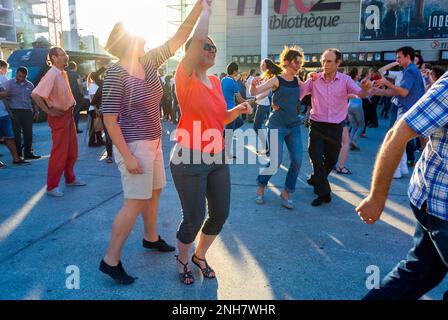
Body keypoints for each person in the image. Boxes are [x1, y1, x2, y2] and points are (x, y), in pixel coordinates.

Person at [100, 1, 203, 285]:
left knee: (155, 191)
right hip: (134, 145)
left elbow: (179, 38)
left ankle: (150, 237)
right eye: (138, 35)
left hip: (154, 140)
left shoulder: (147, 62)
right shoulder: (115, 73)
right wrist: (128, 157)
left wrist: (198, 6)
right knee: (134, 201)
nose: (144, 37)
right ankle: (110, 260)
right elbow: (109, 119)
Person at [170, 0, 252, 285]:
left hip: (217, 157)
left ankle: (199, 255)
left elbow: (220, 118)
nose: (212, 49)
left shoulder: (216, 82)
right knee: (193, 218)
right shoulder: (186, 76)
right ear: (192, 52)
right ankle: (182, 259)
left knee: (220, 214)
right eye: (206, 45)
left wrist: (237, 111)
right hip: (189, 158)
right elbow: (196, 42)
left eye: (214, 47)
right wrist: (204, 12)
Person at [357, 72, 448, 300]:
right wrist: (376, 199)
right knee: (419, 271)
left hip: (433, 196)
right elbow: (397, 133)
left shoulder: (412, 74)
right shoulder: (418, 77)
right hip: (440, 205)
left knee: (421, 271)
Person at [300, 48, 372, 206]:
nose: (325, 64)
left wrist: (366, 89)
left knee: (331, 160)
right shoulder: (314, 79)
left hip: (335, 127)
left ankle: (316, 179)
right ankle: (323, 193)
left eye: (329, 61)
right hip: (317, 125)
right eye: (323, 61)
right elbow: (299, 94)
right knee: (316, 158)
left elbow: (361, 94)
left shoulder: (345, 80)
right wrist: (306, 79)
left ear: (338, 63)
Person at [250, 46, 306, 210]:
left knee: (297, 161)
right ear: (287, 62)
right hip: (277, 126)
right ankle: (261, 186)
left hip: (294, 126)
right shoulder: (276, 80)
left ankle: (287, 193)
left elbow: (307, 91)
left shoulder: (298, 80)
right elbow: (256, 91)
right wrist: (253, 85)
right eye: (296, 62)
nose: (299, 65)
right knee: (275, 161)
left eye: (300, 62)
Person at [31, 48, 86, 197]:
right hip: (59, 117)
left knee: (72, 150)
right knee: (59, 153)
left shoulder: (62, 73)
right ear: (54, 58)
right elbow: (35, 94)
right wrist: (49, 111)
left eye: (66, 55)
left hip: (68, 115)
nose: (66, 57)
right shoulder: (52, 74)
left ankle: (70, 178)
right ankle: (51, 186)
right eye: (62, 55)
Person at [371, 46, 426, 179]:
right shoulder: (410, 70)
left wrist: (386, 83)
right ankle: (402, 169)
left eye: (399, 57)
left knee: (394, 141)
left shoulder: (410, 71)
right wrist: (379, 91)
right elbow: (398, 92)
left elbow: (403, 92)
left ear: (408, 57)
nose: (397, 60)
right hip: (407, 110)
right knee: (399, 141)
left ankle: (396, 171)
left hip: (407, 111)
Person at [0, 67, 41, 160]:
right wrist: (8, 110)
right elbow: (4, 97)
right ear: (16, 74)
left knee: (28, 133)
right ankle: (18, 155)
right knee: (16, 134)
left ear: (26, 75)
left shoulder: (30, 85)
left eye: (23, 76)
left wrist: (36, 111)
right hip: (15, 111)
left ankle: (28, 153)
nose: (21, 78)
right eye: (19, 76)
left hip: (27, 111)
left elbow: (34, 98)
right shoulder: (9, 83)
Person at [0, 60, 30, 168]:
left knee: (10, 137)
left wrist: (8, 110)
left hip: (4, 113)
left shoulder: (2, 78)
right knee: (9, 137)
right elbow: (5, 93)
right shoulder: (5, 79)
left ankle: (16, 159)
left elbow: (6, 95)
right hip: (6, 112)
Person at [221, 62, 248, 158]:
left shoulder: (223, 79)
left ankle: (223, 135)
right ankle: (227, 153)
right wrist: (248, 101)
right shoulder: (233, 83)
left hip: (223, 108)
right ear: (235, 71)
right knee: (229, 133)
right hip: (231, 110)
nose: (238, 72)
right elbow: (240, 99)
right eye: (237, 71)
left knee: (240, 123)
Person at [253, 59, 279, 154]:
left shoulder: (268, 77)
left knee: (256, 126)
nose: (261, 66)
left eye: (263, 64)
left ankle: (267, 148)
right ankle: (267, 147)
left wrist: (255, 99)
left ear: (267, 66)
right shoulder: (263, 76)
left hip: (263, 104)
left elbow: (266, 92)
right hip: (261, 104)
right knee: (257, 126)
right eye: (261, 64)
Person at [347, 68, 364, 152]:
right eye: (359, 73)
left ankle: (351, 142)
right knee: (361, 125)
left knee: (354, 126)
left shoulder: (349, 83)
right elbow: (364, 93)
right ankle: (353, 141)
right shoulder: (358, 84)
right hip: (357, 106)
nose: (360, 75)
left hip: (349, 106)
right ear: (356, 75)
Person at [67, 61, 85, 134]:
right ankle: (75, 128)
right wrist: (82, 93)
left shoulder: (66, 74)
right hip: (76, 95)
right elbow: (80, 84)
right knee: (76, 112)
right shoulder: (76, 74)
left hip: (67, 96)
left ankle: (69, 129)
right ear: (75, 67)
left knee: (69, 113)